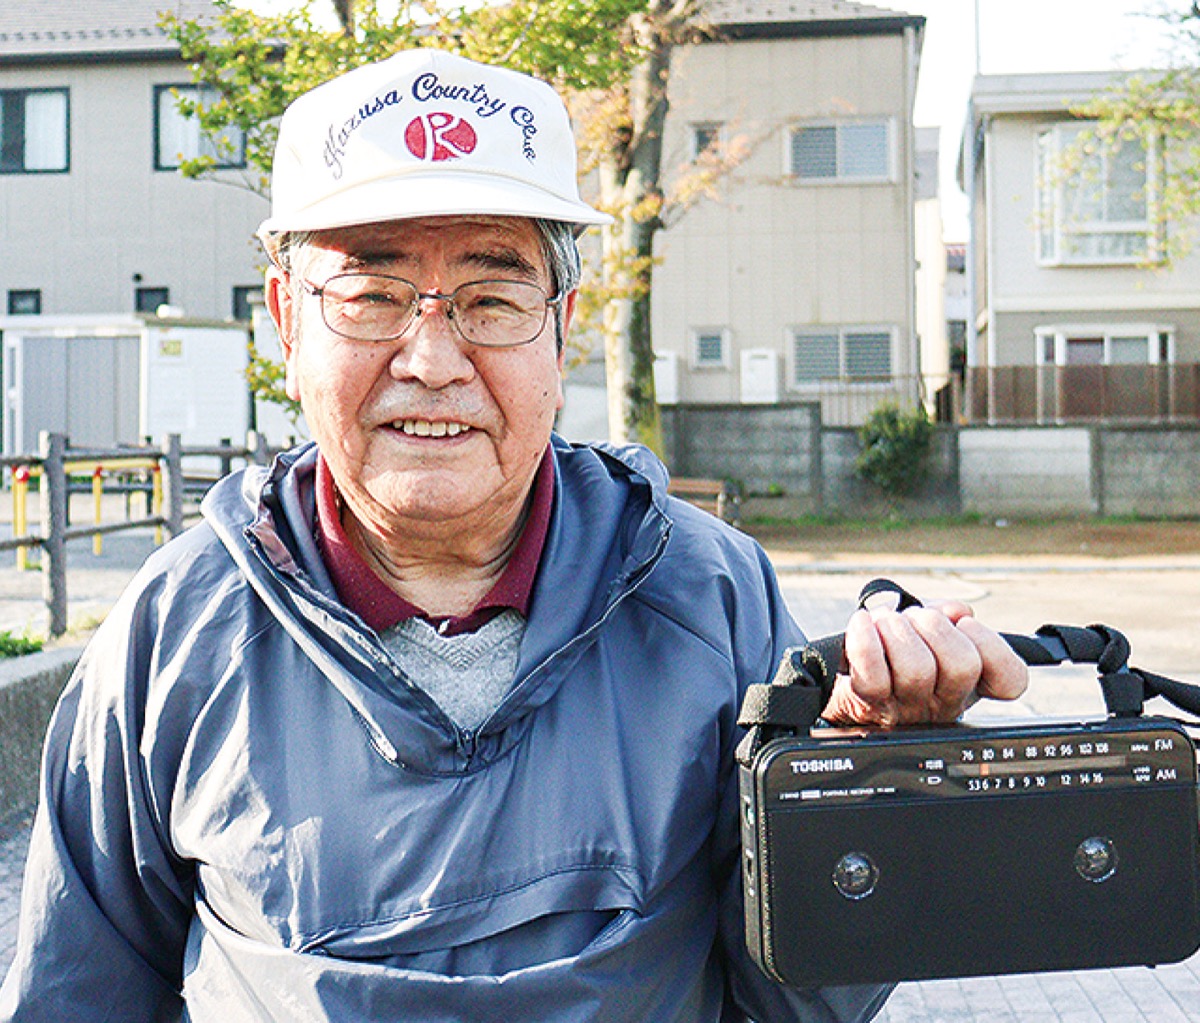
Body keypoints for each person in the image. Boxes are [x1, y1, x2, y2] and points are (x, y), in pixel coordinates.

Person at [0, 49, 1026, 1022]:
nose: (434, 358)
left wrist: (866, 788)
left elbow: (795, 1000)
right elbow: (73, 991)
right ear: (287, 318)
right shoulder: (176, 627)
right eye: (371, 298)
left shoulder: (709, 593)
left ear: (561, 323)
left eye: (491, 299)